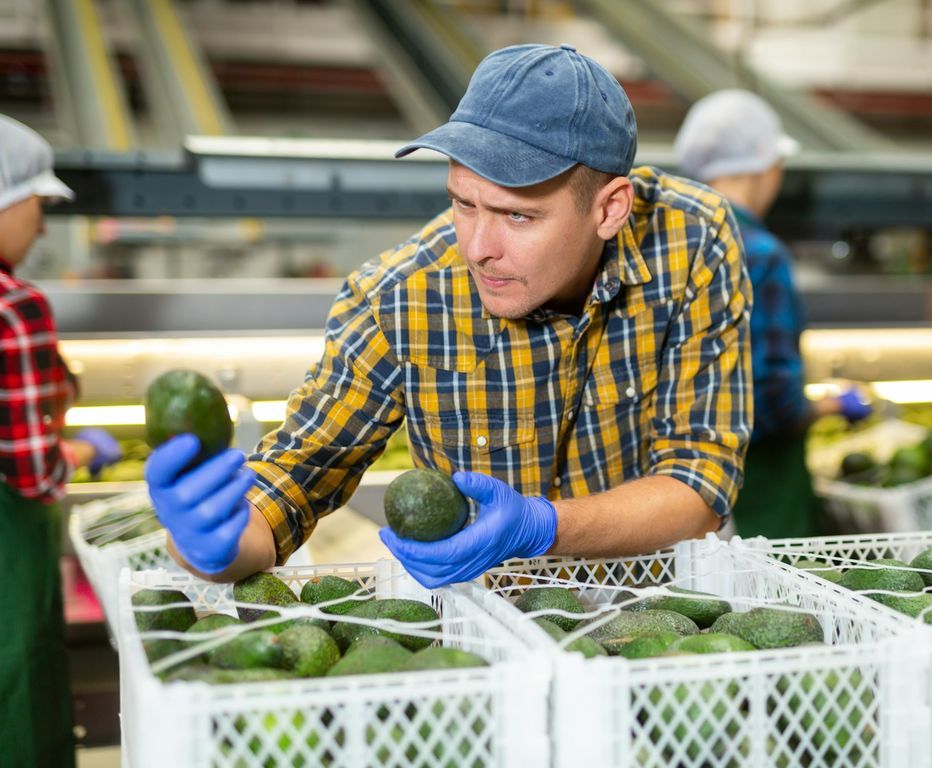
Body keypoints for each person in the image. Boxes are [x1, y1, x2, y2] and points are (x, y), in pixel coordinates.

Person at [145, 44, 752, 588]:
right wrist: (205, 542)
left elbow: (702, 481)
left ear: (610, 209)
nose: (478, 246)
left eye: (518, 216)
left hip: (661, 619)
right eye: (463, 202)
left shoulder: (691, 240)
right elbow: (289, 489)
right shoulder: (397, 299)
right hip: (485, 637)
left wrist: (543, 528)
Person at [674, 89, 871, 539]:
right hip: (761, 486)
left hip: (685, 484)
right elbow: (773, 404)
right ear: (767, 167)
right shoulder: (761, 254)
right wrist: (834, 403)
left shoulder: (676, 243)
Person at [0, 114, 123, 768]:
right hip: (7, 575)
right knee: (18, 692)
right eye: (37, 205)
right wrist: (82, 450)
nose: (41, 226)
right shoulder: (13, 308)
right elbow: (34, 475)